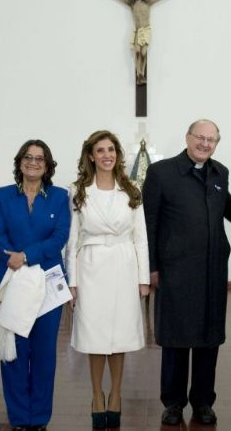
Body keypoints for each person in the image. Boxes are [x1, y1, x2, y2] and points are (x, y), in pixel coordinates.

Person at [143, 119, 231, 426]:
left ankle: (203, 401)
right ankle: (173, 403)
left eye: (211, 140)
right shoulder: (161, 173)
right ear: (187, 138)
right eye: (200, 137)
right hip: (175, 271)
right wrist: (151, 267)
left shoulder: (220, 173)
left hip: (212, 269)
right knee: (175, 338)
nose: (205, 144)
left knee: (208, 338)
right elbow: (149, 222)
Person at [66, 130, 150, 429]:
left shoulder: (131, 190)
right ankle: (96, 396)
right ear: (91, 156)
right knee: (95, 334)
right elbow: (72, 240)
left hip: (124, 266)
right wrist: (72, 282)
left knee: (120, 333)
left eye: (111, 150)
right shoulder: (77, 191)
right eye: (100, 150)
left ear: (117, 154)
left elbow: (140, 237)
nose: (107, 155)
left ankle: (115, 394)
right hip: (90, 267)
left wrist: (143, 279)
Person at [0, 140, 70, 431]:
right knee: (14, 352)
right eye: (28, 157)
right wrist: (16, 259)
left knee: (44, 354)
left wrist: (26, 256)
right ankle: (20, 418)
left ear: (47, 166)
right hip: (11, 282)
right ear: (19, 162)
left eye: (39, 158)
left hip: (47, 284)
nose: (33, 162)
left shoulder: (60, 197)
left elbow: (60, 237)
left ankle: (39, 419)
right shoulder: (2, 195)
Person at [98, 0, 182, 85]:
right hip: (138, 31)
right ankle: (139, 74)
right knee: (137, 51)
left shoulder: (148, 2)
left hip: (146, 30)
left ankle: (141, 73)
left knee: (143, 52)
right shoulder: (131, 4)